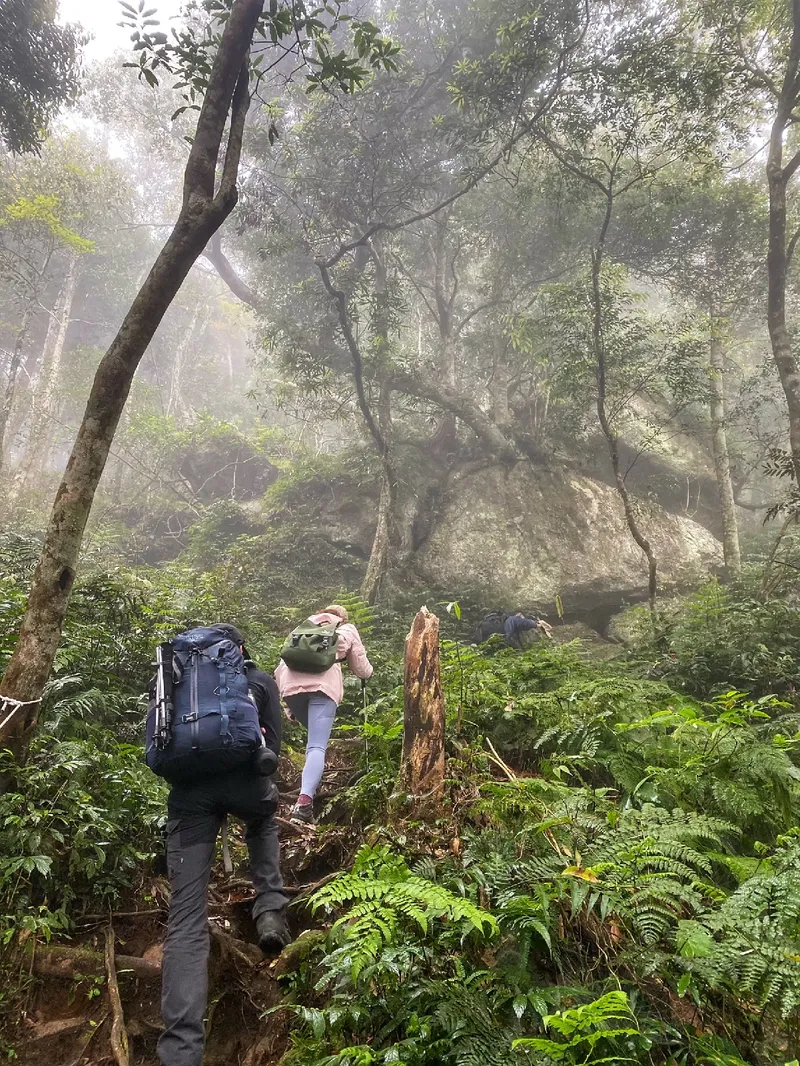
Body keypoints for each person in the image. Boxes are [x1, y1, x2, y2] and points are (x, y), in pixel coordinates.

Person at [157, 623, 289, 1066]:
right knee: (263, 820)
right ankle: (269, 909)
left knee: (186, 918)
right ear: (238, 650)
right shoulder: (257, 679)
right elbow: (275, 744)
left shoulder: (175, 677)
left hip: (189, 795)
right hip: (248, 782)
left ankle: (180, 1051)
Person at [276, 604, 373, 825]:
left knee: (314, 743)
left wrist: (288, 705)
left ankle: (310, 784)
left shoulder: (301, 629)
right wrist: (369, 672)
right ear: (343, 618)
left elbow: (280, 667)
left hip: (291, 691)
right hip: (322, 690)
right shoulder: (346, 630)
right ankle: (303, 803)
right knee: (317, 746)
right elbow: (361, 668)